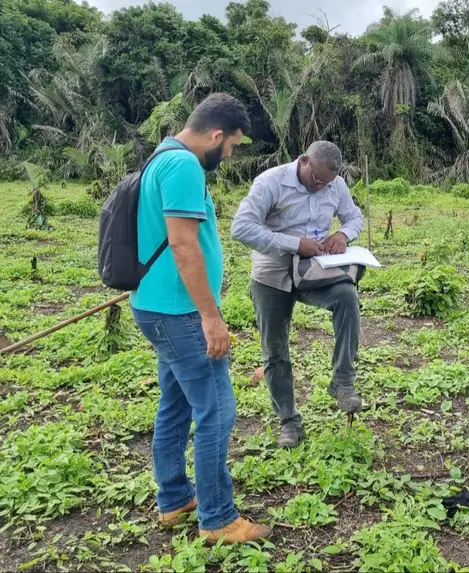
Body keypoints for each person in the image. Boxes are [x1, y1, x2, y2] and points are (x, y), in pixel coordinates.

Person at [130, 93, 272, 544]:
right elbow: (182, 245)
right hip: (180, 313)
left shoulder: (160, 157)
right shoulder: (185, 166)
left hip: (156, 308)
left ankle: (174, 499)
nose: (229, 155)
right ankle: (218, 519)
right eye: (230, 146)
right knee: (216, 411)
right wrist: (211, 317)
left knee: (175, 404)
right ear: (215, 135)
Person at [231, 140, 365, 448]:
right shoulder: (271, 182)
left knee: (346, 296)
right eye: (316, 179)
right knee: (275, 350)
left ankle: (343, 382)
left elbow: (354, 217)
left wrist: (342, 234)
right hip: (271, 275)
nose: (321, 187)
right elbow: (241, 228)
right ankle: (289, 422)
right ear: (303, 161)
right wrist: (293, 243)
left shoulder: (336, 185)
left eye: (327, 183)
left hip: (314, 270)